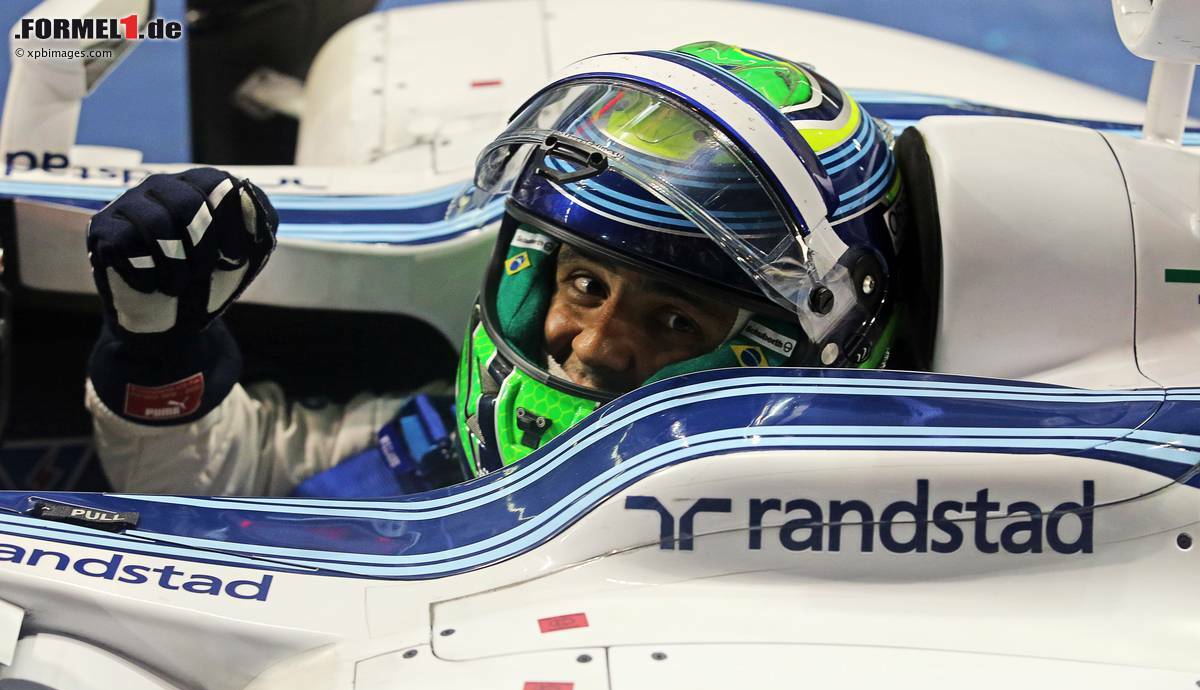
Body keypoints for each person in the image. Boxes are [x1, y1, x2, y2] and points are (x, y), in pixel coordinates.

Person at [84, 41, 904, 497]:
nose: (593, 346)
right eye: (586, 284)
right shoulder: (432, 439)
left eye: (673, 319)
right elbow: (222, 489)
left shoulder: (885, 525)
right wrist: (158, 351)